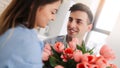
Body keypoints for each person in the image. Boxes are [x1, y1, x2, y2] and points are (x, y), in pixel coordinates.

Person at [0, 0, 63, 68]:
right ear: (35, 5)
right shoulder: (28, 42)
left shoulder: (11, 31)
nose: (53, 18)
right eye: (52, 12)